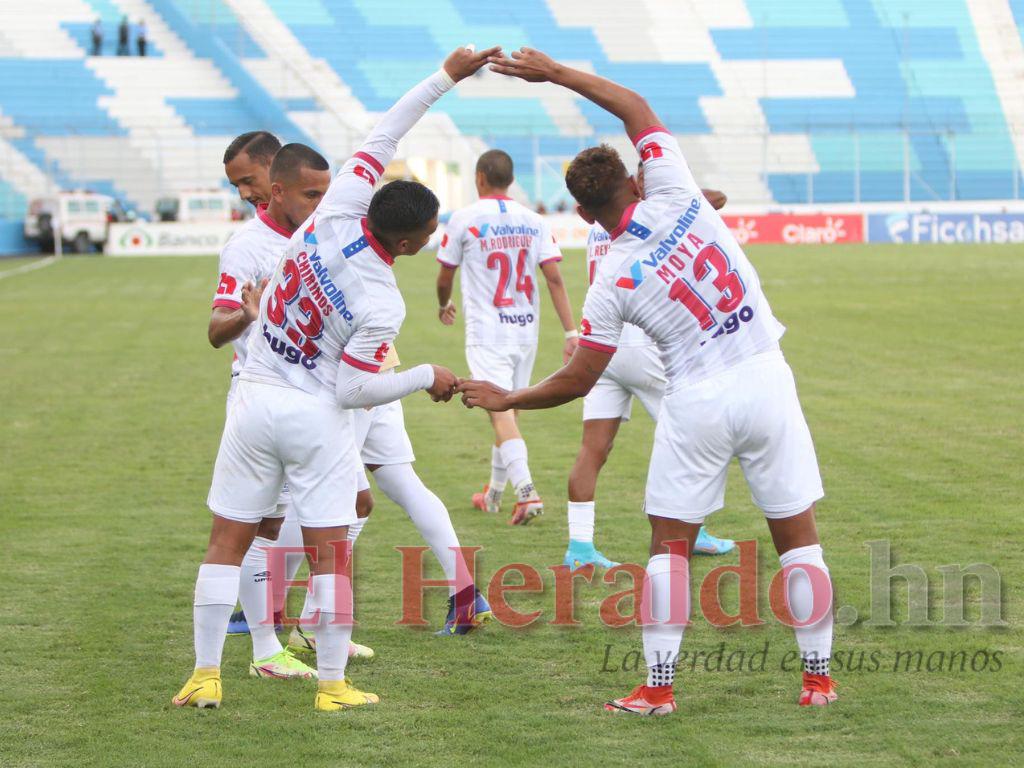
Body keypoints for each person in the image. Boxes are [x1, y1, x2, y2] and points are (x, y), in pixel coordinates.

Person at [460, 48, 836, 714]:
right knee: (797, 537)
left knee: (669, 548)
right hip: (764, 375)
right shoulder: (676, 188)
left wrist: (510, 397)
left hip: (695, 398)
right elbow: (634, 106)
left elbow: (580, 377)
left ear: (583, 215)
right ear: (636, 179)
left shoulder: (611, 280)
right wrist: (558, 73)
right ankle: (818, 681)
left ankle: (657, 690)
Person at [173, 44, 499, 712]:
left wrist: (446, 75)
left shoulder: (336, 204)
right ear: (408, 244)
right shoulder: (383, 300)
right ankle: (330, 684)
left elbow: (385, 131)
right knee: (331, 552)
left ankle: (207, 673)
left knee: (227, 540)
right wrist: (423, 375)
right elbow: (353, 391)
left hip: (253, 396)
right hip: (311, 414)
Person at [221, 134, 489, 643]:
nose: (246, 194)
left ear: (276, 178)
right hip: (356, 374)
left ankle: (273, 616)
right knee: (380, 490)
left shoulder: (328, 218)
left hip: (335, 385)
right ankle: (463, 593)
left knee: (314, 503)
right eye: (238, 186)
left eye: (249, 182)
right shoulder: (267, 237)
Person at [564, 172, 735, 571]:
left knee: (593, 450)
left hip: (601, 349)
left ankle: (580, 548)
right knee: (691, 441)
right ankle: (696, 532)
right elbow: (718, 197)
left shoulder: (598, 227)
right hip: (644, 346)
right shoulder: (649, 215)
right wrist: (665, 189)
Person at [437, 149, 577, 524]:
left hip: (488, 331)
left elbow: (445, 274)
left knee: (500, 411)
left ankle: (527, 493)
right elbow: (555, 277)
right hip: (525, 329)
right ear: (510, 180)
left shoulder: (464, 219)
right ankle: (494, 494)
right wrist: (570, 330)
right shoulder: (534, 220)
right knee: (508, 409)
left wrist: (444, 303)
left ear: (480, 177)